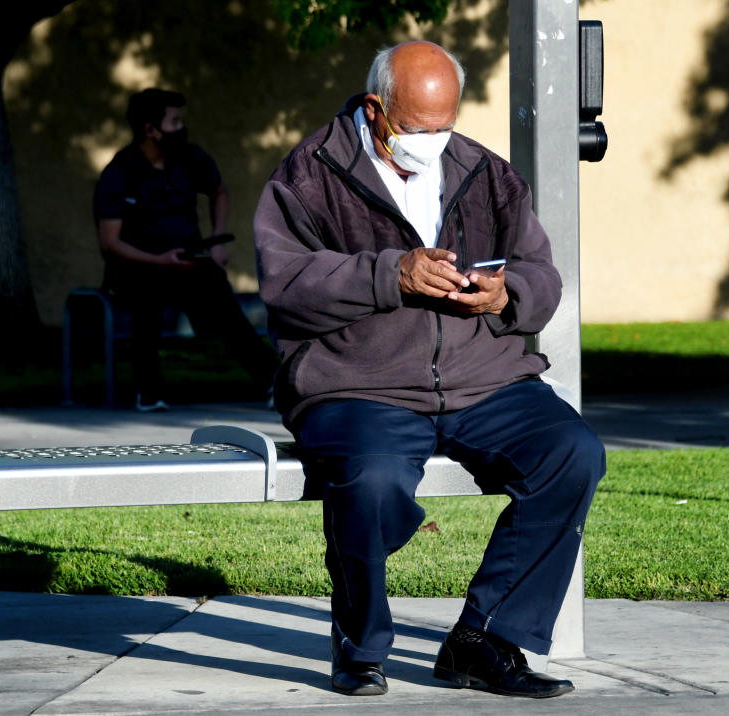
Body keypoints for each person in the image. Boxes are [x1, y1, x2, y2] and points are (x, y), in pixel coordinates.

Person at [254, 42, 605, 698]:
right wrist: (392, 273)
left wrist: (508, 293)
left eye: (446, 126)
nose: (436, 142)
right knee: (376, 480)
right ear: (375, 108)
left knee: (572, 452)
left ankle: (483, 641)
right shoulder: (309, 173)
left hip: (484, 378)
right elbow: (284, 281)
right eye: (419, 130)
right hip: (357, 383)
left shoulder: (483, 171)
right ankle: (359, 644)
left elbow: (540, 271)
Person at [93, 88, 277, 411]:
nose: (181, 128)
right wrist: (158, 260)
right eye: (174, 122)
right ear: (151, 130)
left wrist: (218, 242)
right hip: (139, 268)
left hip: (189, 262)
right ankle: (148, 393)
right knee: (144, 298)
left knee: (224, 303)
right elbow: (110, 243)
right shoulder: (121, 172)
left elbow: (219, 191)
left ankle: (274, 383)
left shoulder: (189, 158)